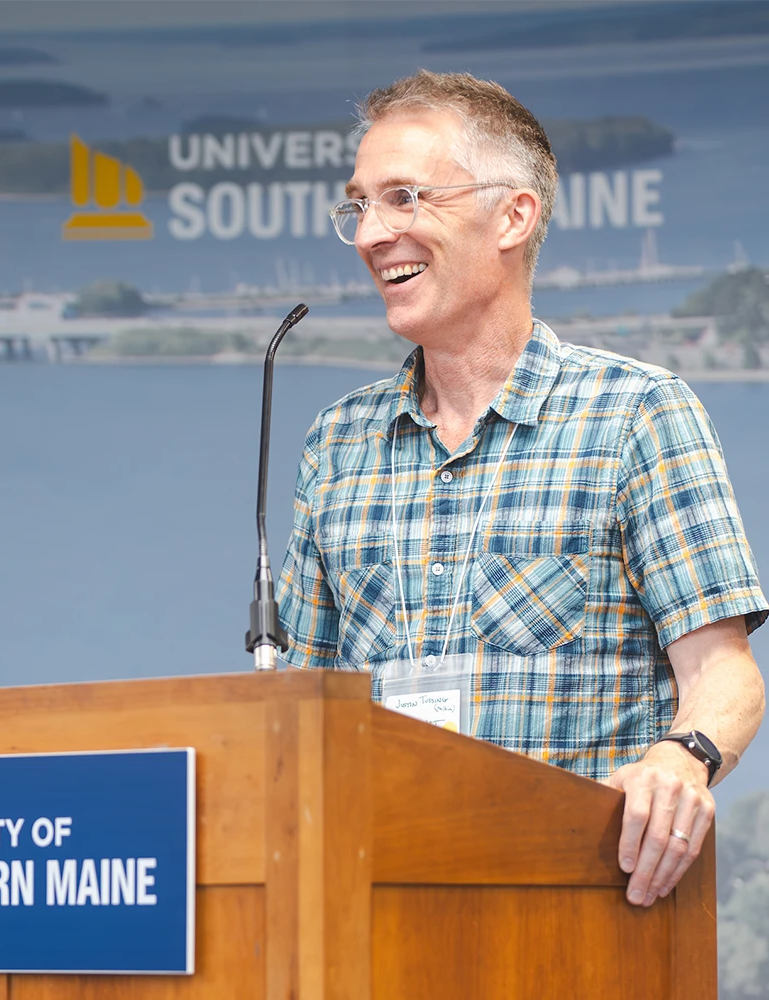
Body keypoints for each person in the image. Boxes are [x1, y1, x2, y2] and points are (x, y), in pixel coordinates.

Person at [275, 71, 766, 909]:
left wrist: (684, 757)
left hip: (572, 916)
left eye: (405, 198)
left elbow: (725, 676)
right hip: (373, 910)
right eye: (359, 205)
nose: (370, 233)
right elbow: (290, 713)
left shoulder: (636, 415)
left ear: (513, 215)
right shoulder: (338, 443)